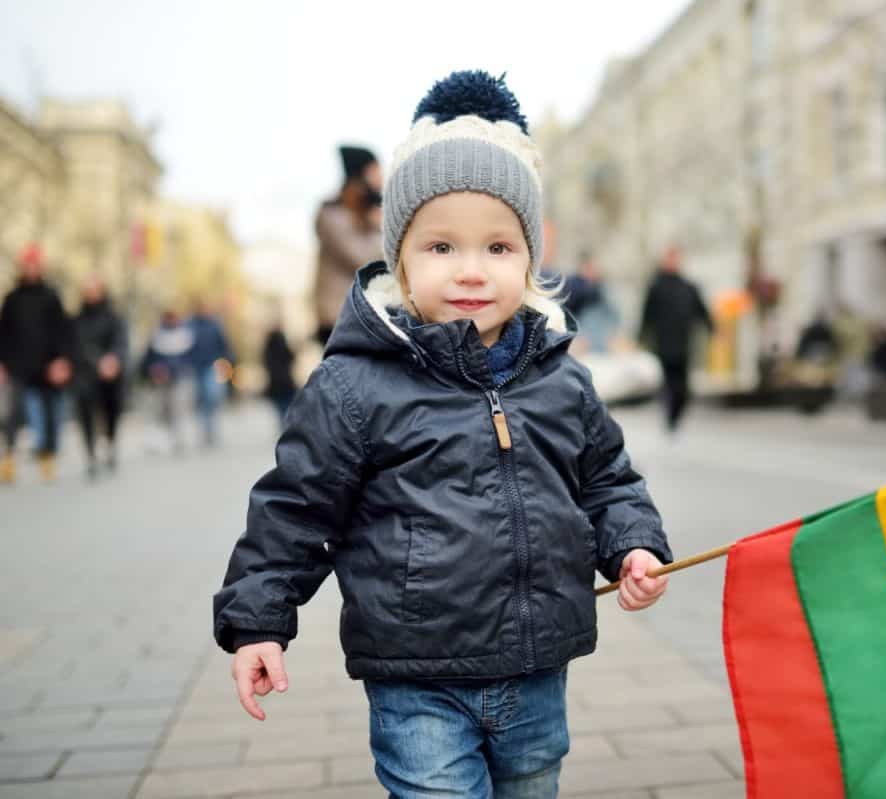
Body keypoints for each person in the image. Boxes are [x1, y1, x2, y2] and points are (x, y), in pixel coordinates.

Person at [213, 71, 672, 799]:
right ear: (399, 256)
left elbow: (609, 479)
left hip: (536, 667)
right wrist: (258, 621)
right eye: (440, 247)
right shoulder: (357, 383)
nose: (470, 270)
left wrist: (634, 545)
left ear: (529, 258)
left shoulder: (561, 379)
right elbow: (296, 510)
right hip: (416, 680)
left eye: (498, 247)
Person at [0, 244, 73, 483]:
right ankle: (8, 457)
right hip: (18, 365)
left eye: (35, 264)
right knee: (13, 412)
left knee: (50, 411)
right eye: (27, 264)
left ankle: (47, 456)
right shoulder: (12, 299)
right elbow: (4, 333)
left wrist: (61, 360)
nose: (31, 268)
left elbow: (63, 331)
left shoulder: (51, 296)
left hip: (48, 365)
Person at [313, 145, 384, 346]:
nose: (380, 180)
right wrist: (380, 226)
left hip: (360, 316)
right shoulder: (332, 215)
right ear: (359, 177)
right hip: (338, 319)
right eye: (374, 173)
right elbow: (365, 260)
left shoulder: (365, 213)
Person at [639, 246, 713, 431]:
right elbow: (646, 315)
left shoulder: (688, 287)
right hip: (663, 345)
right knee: (668, 384)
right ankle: (669, 417)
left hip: (683, 345)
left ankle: (675, 415)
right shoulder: (655, 287)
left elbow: (701, 310)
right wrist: (640, 336)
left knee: (683, 389)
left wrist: (712, 328)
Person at [73, 274, 127, 477]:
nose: (91, 294)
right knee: (85, 411)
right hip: (86, 373)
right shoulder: (77, 319)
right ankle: (90, 454)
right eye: (88, 290)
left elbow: (121, 342)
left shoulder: (114, 317)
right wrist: (98, 363)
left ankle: (110, 442)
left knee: (112, 410)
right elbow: (77, 346)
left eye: (95, 290)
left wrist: (113, 360)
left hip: (111, 374)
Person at [141, 309, 194, 455]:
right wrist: (154, 370)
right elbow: (148, 358)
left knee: (177, 410)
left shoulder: (185, 336)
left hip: (179, 378)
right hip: (160, 380)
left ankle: (178, 440)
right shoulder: (156, 336)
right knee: (160, 411)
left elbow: (189, 358)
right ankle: (160, 441)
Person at [188, 299, 233, 447]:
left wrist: (227, 361)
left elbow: (224, 345)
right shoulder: (190, 325)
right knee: (200, 400)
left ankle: (211, 429)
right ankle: (204, 431)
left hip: (212, 366)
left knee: (212, 397)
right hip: (195, 368)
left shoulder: (214, 325)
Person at [261, 320, 296, 426]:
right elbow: (291, 357)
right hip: (286, 382)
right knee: (287, 407)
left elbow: (266, 363)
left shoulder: (267, 345)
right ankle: (286, 425)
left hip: (275, 383)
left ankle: (284, 425)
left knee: (281, 408)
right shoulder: (282, 341)